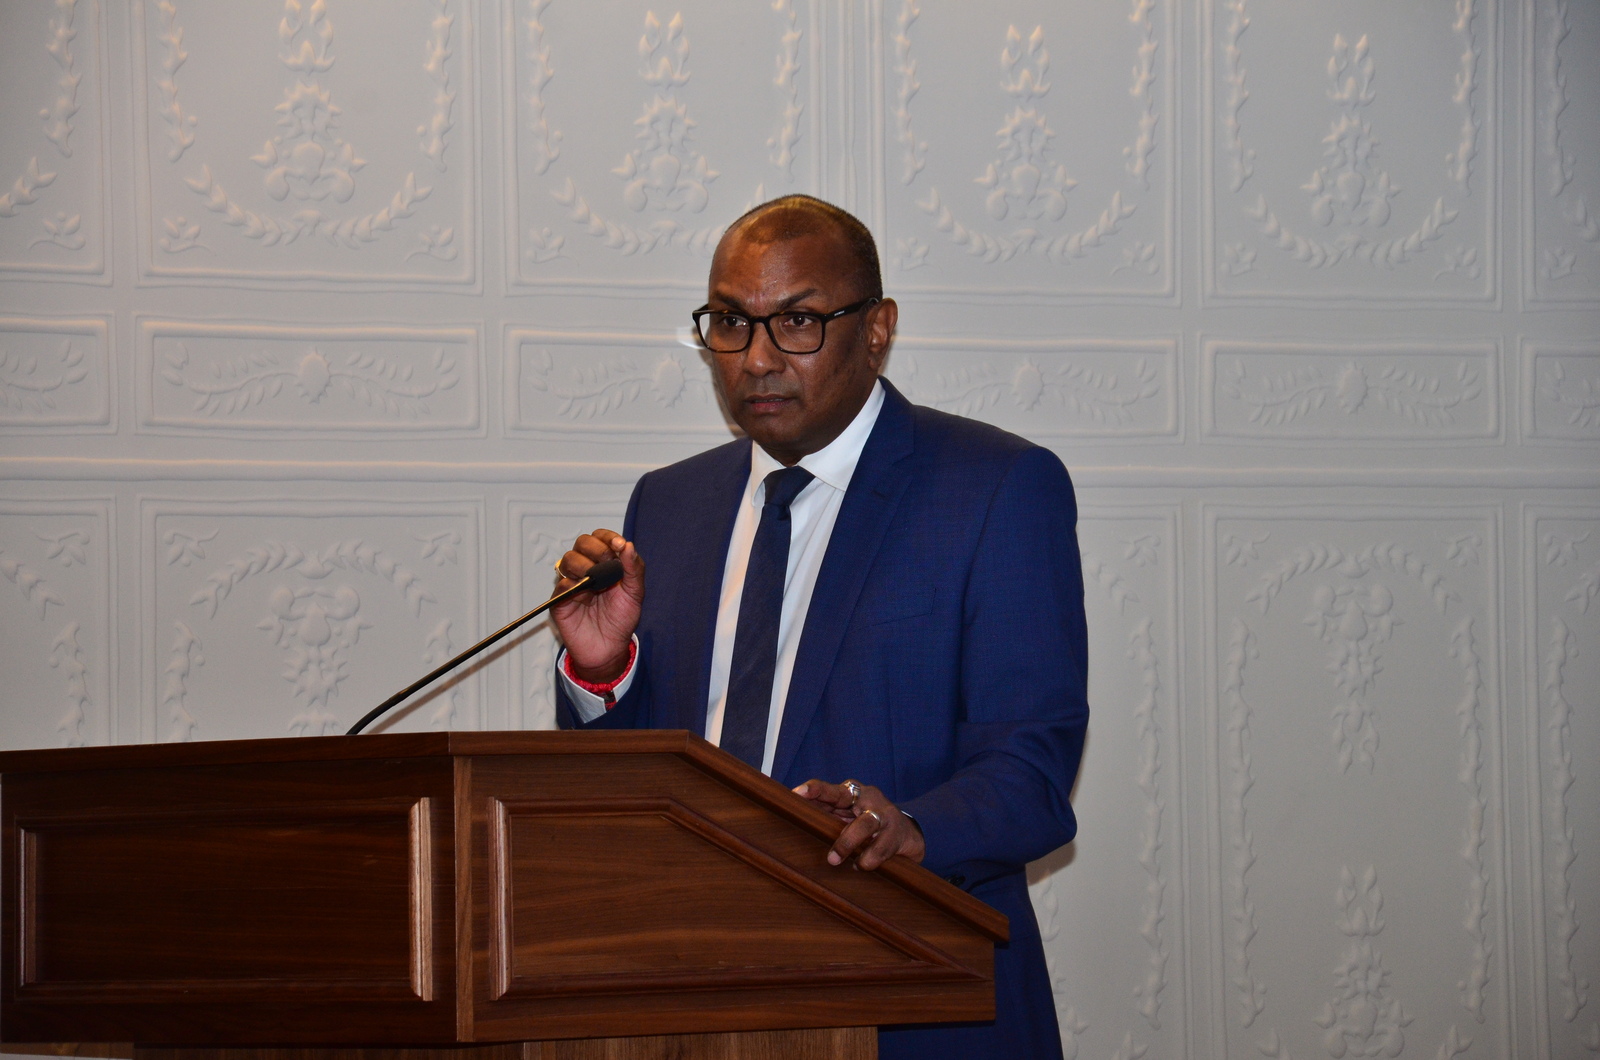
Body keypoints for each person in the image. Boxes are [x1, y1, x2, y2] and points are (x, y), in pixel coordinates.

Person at [549, 194, 1088, 1059]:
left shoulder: (995, 489)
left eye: (797, 321)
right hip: (695, 1004)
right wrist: (602, 674)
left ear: (877, 330)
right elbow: (637, 794)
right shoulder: (670, 504)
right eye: (731, 322)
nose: (757, 358)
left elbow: (1031, 774)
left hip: (917, 1005)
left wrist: (911, 827)